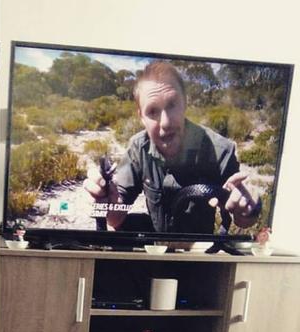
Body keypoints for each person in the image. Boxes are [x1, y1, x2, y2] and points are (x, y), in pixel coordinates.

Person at [83, 61, 261, 233]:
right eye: (152, 111)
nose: (165, 123)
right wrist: (104, 202)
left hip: (198, 249)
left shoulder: (221, 150)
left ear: (185, 103)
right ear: (141, 117)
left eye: (172, 105)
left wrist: (249, 208)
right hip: (156, 246)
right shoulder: (138, 148)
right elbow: (115, 220)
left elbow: (243, 220)